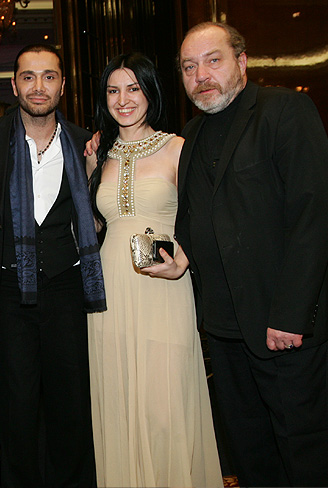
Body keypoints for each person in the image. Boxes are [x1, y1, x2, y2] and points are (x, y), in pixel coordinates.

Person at [176, 22, 328, 486]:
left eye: (213, 60)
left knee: (304, 451)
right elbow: (201, 217)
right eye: (189, 67)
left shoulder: (284, 111)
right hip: (224, 333)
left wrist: (290, 315)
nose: (201, 75)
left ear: (241, 62)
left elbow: (314, 216)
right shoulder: (192, 133)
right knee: (250, 453)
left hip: (282, 328)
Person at [86, 52, 222, 488]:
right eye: (113, 90)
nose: (123, 99)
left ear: (150, 92)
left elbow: (203, 217)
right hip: (110, 289)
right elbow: (94, 226)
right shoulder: (98, 154)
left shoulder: (179, 148)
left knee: (165, 404)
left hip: (164, 286)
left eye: (133, 88)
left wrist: (185, 258)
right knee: (120, 397)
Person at [0, 44, 106, 488]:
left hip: (67, 286)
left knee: (71, 402)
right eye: (28, 77)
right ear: (14, 86)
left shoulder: (85, 142)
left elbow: (104, 211)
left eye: (49, 76)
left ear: (62, 85)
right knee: (17, 405)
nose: (38, 86)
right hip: (10, 289)